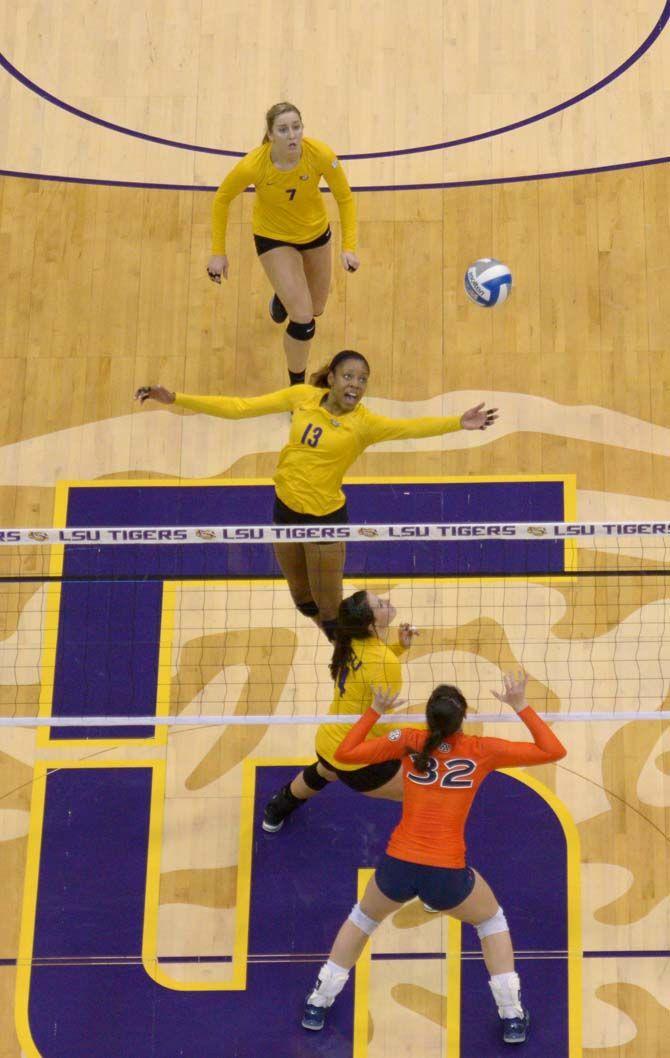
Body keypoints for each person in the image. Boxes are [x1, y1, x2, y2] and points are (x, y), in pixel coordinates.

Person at [135, 350, 498, 641]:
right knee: (301, 597)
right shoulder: (302, 398)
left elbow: (411, 428)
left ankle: (356, 659)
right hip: (286, 512)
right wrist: (177, 398)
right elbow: (240, 408)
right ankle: (345, 646)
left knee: (329, 609)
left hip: (325, 522)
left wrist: (457, 423)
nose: (356, 385)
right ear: (332, 378)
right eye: (349, 376)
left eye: (363, 380)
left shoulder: (366, 424)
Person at [301, 671, 566, 1045]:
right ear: (464, 719)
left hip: (399, 865)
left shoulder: (409, 741)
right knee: (491, 921)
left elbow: (344, 755)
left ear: (428, 718)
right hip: (447, 875)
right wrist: (520, 705)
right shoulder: (481, 750)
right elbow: (553, 750)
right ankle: (512, 1016)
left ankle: (318, 1002)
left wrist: (375, 711)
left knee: (362, 919)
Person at [206, 101, 359, 385]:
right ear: (271, 133)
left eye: (296, 128)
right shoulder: (254, 165)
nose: (292, 135)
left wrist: (348, 247)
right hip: (274, 239)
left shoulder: (320, 155)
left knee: (316, 308)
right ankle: (296, 387)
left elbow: (345, 198)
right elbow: (222, 199)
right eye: (283, 129)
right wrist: (218, 252)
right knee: (303, 320)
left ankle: (283, 297)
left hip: (315, 234)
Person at [261, 590, 419, 832]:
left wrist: (399, 646)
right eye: (379, 603)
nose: (387, 602)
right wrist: (404, 745)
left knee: (325, 772)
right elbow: (382, 720)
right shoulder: (386, 663)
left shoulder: (350, 640)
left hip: (329, 742)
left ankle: (277, 808)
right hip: (358, 758)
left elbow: (369, 669)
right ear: (371, 623)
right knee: (421, 789)